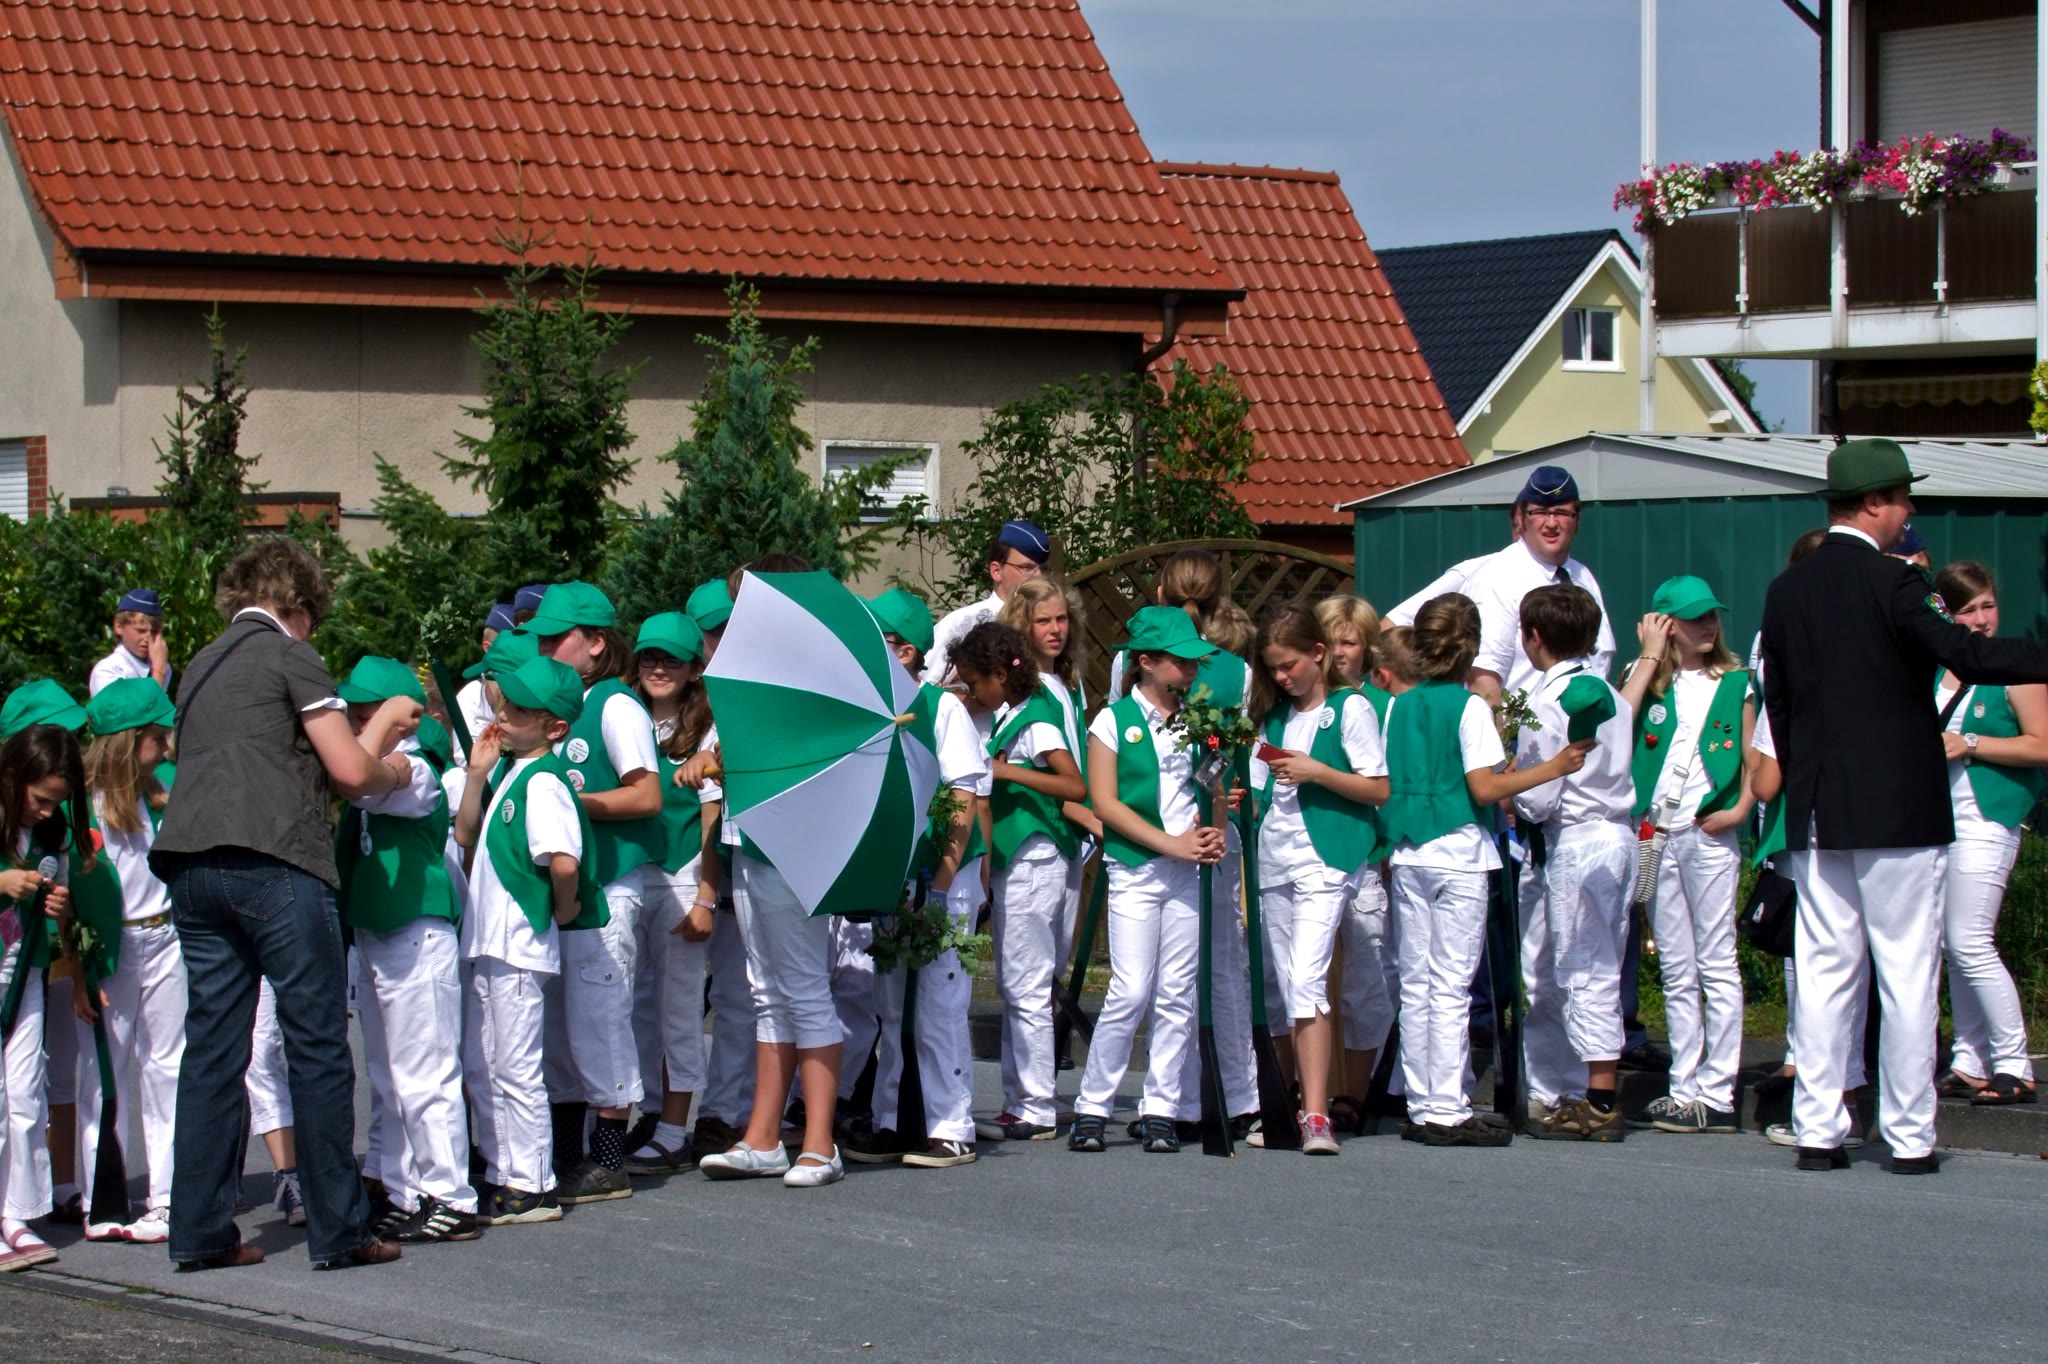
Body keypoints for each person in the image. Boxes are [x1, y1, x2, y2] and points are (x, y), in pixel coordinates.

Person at [1759, 438, 2048, 1175]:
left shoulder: (1786, 590)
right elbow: (1969, 655)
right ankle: (1910, 1135)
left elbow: (1780, 704)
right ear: (1874, 504)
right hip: (1899, 807)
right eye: (1902, 498)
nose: (1908, 510)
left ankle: (1818, 1130)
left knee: (1825, 970)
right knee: (1906, 969)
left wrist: (1806, 782)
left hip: (1818, 807)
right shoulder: (1895, 582)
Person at [149, 539, 420, 1271]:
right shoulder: (291, 655)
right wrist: (394, 758)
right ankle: (341, 1231)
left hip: (191, 866)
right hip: (275, 862)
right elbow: (350, 771)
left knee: (213, 1049)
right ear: (299, 605)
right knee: (317, 1045)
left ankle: (201, 1232)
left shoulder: (200, 665)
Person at [1380, 594, 1590, 1148]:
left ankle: (1423, 1102)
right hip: (1457, 852)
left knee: (1417, 983)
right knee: (1450, 984)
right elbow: (1484, 787)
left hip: (1410, 850)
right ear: (1469, 648)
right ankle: (1447, 1108)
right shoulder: (1470, 707)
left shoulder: (1399, 706)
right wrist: (1553, 766)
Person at [698, 556, 849, 1189]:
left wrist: (727, 754)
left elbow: (808, 752)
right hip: (752, 841)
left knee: (804, 988)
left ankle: (820, 1144)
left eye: (748, 600)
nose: (738, 614)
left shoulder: (810, 670)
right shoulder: (756, 667)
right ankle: (763, 1138)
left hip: (795, 846)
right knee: (767, 990)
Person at [526, 582, 665, 1203]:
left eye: (557, 638)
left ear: (597, 644)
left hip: (609, 887)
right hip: (568, 893)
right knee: (562, 1027)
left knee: (602, 1020)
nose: (545, 648)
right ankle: (567, 1152)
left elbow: (647, 794)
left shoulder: (615, 705)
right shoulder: (561, 706)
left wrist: (569, 804)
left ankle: (610, 1160)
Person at [849, 597, 999, 1168]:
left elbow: (963, 796)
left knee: (939, 1001)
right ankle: (893, 1119)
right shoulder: (867, 708)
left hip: (943, 875)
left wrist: (939, 883)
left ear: (907, 651)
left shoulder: (942, 709)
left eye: (879, 640)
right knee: (891, 1005)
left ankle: (951, 1124)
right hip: (893, 874)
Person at [333, 658, 478, 1244]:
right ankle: (404, 1189)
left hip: (416, 935)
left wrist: (383, 728)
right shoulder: (379, 755)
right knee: (388, 1076)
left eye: (368, 711)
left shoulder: (414, 767)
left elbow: (363, 778)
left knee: (427, 1073)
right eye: (353, 712)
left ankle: (452, 1196)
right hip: (378, 933)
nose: (356, 721)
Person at [1069, 607, 1223, 1154]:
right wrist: (1170, 843)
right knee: (1131, 988)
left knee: (1177, 992)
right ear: (1146, 662)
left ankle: (1160, 1108)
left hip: (1186, 870)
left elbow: (1214, 790)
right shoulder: (1112, 721)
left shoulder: (1202, 721)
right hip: (1136, 868)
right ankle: (1093, 1105)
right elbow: (1105, 803)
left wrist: (1215, 827)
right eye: (1180, 660)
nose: (1191, 669)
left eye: (1194, 660)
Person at [454, 655, 599, 1226]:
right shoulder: (514, 772)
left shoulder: (544, 781)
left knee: (514, 1066)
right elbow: (465, 832)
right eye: (505, 703)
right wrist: (477, 774)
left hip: (518, 942)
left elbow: (563, 861)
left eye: (519, 710)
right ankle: (504, 1169)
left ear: (555, 727)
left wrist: (561, 910)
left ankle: (535, 1182)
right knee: (483, 1062)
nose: (504, 714)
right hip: (491, 942)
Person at [1246, 605, 1390, 1155]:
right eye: (1274, 667)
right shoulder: (1274, 717)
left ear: (1319, 653)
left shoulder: (1350, 708)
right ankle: (1286, 1107)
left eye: (1290, 664)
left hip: (1327, 858)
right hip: (1275, 857)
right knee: (1282, 987)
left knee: (1306, 980)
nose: (1283, 676)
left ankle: (1316, 1116)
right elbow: (1257, 791)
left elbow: (1378, 788)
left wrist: (1317, 772)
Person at [1619, 576, 1755, 1136]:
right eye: (1695, 618)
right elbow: (1617, 728)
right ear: (1667, 625)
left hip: (1708, 830)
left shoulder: (1736, 681)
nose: (1709, 626)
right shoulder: (1642, 679)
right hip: (1655, 833)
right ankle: (1684, 1086)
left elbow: (1752, 756)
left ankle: (1718, 1090)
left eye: (1712, 616)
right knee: (1676, 966)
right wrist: (1649, 658)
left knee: (1716, 960)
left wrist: (1740, 808)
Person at [1509, 586, 1635, 1142]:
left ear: (1533, 637)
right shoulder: (1613, 694)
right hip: (1616, 833)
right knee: (1562, 965)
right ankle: (1557, 1086)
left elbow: (1540, 797)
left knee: (1583, 966)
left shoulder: (1548, 699)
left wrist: (1510, 790)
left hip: (1576, 836)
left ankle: (1598, 1098)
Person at [69, 679, 182, 1244]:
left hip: (167, 939)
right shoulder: (83, 807)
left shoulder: (162, 792)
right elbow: (71, 897)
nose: (166, 747)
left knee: (168, 1066)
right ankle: (102, 1199)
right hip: (112, 952)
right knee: (103, 1071)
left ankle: (167, 1197)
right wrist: (80, 972)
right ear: (128, 740)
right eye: (157, 737)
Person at [1930, 563, 2046, 1106]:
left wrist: (1971, 742)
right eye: (1968, 610)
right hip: (1936, 819)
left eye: (1988, 606)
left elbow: (2041, 744)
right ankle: (1970, 1058)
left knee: (1970, 940)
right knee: (1950, 943)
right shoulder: (1934, 668)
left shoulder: (2015, 667)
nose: (1981, 620)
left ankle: (2014, 1062)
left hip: (1987, 817)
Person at [973, 605, 1086, 1144]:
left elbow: (1074, 785)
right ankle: (1022, 1099)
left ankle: (1035, 1105)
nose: (974, 693)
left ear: (999, 675)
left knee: (1026, 984)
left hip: (1033, 861)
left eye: (976, 682)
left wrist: (1005, 772)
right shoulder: (1017, 711)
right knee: (1020, 983)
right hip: (1023, 860)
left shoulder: (1036, 719)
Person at [623, 613, 720, 1175]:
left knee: (678, 1008)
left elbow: (712, 818)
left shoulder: (705, 729)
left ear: (693, 670)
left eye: (672, 661)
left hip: (683, 875)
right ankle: (653, 1111)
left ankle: (675, 1130)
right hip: (635, 872)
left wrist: (706, 896)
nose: (658, 669)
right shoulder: (625, 715)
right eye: (649, 658)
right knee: (639, 1008)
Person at [0, 719, 85, 1271]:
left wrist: (61, 909)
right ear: (10, 777)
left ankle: (16, 1212)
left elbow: (63, 913)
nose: (48, 811)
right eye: (40, 799)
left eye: (56, 802)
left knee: (27, 1090)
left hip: (23, 972)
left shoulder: (50, 836)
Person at [1316, 595, 1397, 1123]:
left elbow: (1393, 784)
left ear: (1367, 648)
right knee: (1306, 977)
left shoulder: (1384, 706)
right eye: (1332, 641)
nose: (1340, 652)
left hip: (1367, 856)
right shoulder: (1303, 704)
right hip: (1311, 856)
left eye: (1350, 642)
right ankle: (1310, 1087)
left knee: (1366, 979)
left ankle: (1356, 1094)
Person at [1454, 467, 1615, 705]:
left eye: (1561, 513)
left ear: (1578, 520)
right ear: (1521, 518)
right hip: (1524, 727)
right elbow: (1482, 678)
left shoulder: (1583, 577)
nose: (1551, 523)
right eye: (1540, 512)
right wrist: (1498, 729)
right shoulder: (1498, 577)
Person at [924, 520, 1049, 686]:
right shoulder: (964, 623)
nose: (1039, 576)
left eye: (1043, 569)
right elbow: (927, 688)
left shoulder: (1055, 625)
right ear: (996, 571)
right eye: (1027, 568)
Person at [88, 589, 172, 698]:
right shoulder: (107, 671)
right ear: (118, 626)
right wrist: (159, 672)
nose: (148, 639)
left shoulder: (161, 666)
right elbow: (137, 709)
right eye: (141, 631)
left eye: (154, 632)